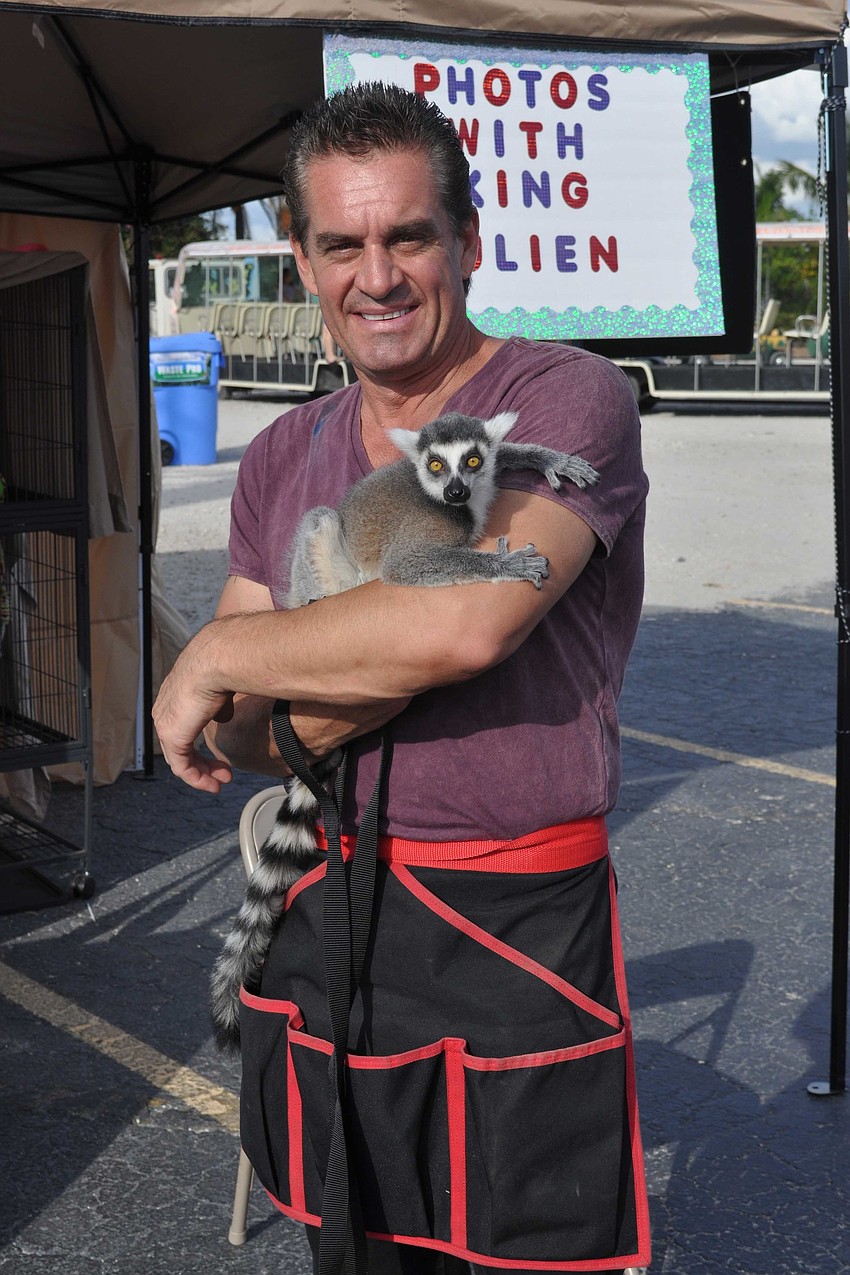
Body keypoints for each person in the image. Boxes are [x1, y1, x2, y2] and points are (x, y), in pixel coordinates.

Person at [153, 82, 650, 1275]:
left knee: (527, 1253)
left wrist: (229, 652)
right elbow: (235, 741)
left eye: (408, 235)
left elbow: (465, 627)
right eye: (342, 244)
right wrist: (315, 679)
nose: (376, 276)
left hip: (512, 924)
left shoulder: (562, 397)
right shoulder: (285, 453)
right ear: (303, 260)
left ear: (467, 243)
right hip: (326, 918)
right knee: (356, 1244)